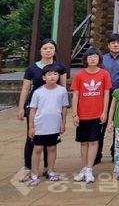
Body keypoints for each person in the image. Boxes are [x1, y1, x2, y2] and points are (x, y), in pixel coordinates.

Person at [17, 38, 67, 176]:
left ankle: (48, 167)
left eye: (51, 48)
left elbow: (62, 87)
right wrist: (21, 108)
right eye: (45, 48)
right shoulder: (32, 68)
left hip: (53, 107)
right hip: (35, 106)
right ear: (40, 50)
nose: (48, 50)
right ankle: (29, 167)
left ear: (54, 50)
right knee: (32, 136)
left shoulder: (60, 67)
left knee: (50, 136)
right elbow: (25, 89)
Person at [70, 46, 112, 184]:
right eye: (90, 56)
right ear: (85, 59)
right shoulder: (79, 75)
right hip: (82, 114)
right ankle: (83, 168)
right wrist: (74, 113)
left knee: (94, 141)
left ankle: (89, 169)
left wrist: (104, 112)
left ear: (99, 58)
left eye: (95, 56)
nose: (92, 58)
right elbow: (75, 95)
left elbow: (106, 94)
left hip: (97, 114)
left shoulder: (104, 74)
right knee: (83, 142)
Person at [25, 64, 68, 187]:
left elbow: (64, 108)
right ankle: (34, 173)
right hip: (40, 125)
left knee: (52, 148)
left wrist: (63, 123)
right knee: (37, 149)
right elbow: (33, 110)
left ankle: (50, 171)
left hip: (54, 125)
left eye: (55, 74)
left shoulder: (62, 91)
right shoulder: (38, 92)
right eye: (49, 74)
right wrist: (31, 127)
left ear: (59, 76)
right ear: (44, 77)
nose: (52, 77)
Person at [98, 32, 119, 164]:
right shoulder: (101, 59)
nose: (116, 45)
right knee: (101, 124)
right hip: (103, 96)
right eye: (113, 43)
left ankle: (115, 152)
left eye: (118, 43)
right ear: (108, 45)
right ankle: (97, 153)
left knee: (118, 125)